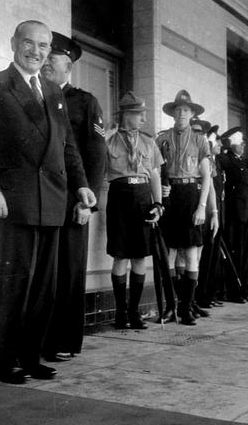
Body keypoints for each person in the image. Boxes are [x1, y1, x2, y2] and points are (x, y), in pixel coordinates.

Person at [0, 20, 95, 385]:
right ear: (13, 43)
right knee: (13, 284)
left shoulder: (55, 91)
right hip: (15, 200)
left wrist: (82, 187)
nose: (36, 51)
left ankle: (31, 356)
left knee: (43, 286)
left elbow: (68, 147)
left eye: (43, 45)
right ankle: (5, 360)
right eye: (29, 43)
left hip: (53, 200)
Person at [40, 32, 106, 362]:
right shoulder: (38, 95)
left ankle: (63, 341)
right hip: (43, 198)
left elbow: (96, 155)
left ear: (69, 66)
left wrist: (87, 202)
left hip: (73, 200)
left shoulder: (84, 101)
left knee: (68, 271)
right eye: (45, 61)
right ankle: (39, 340)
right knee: (46, 271)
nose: (46, 65)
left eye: (52, 61)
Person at [105, 92, 163, 330]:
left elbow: (156, 175)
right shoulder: (108, 140)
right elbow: (96, 164)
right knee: (120, 255)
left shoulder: (149, 142)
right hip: (119, 197)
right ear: (127, 115)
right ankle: (120, 313)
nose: (143, 119)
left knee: (139, 255)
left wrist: (158, 204)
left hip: (142, 198)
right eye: (139, 114)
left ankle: (134, 312)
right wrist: (103, 138)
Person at [156, 90, 211, 326]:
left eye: (185, 110)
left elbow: (207, 177)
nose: (181, 113)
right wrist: (159, 190)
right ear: (173, 113)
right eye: (177, 110)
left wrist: (201, 207)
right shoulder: (162, 138)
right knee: (168, 252)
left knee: (190, 253)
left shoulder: (200, 140)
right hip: (170, 196)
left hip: (190, 195)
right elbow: (154, 170)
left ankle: (186, 308)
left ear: (192, 114)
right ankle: (171, 307)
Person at [219, 127, 248, 303]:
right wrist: (225, 146)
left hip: (244, 214)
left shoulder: (246, 162)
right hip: (232, 214)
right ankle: (233, 291)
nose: (243, 146)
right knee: (232, 253)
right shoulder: (226, 160)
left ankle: (243, 289)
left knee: (242, 254)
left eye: (243, 143)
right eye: (240, 143)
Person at [196, 124, 223, 310]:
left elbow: (211, 187)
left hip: (204, 210)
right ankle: (192, 300)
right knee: (190, 256)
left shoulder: (208, 159)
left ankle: (199, 298)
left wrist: (214, 213)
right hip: (189, 206)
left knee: (202, 256)